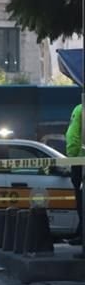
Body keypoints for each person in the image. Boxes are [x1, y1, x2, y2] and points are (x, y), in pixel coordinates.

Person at [65, 103, 83, 246]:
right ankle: (81, 233)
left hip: (81, 162)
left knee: (82, 201)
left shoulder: (80, 109)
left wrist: (72, 157)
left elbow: (73, 136)